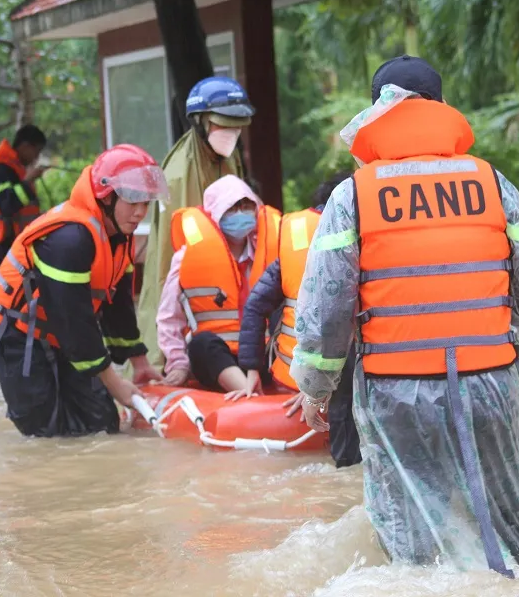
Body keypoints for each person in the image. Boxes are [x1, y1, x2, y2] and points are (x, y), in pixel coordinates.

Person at [290, 55, 519, 577]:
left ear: (377, 113)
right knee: (511, 539)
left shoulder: (352, 196)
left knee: (411, 552)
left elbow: (326, 304)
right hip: (489, 385)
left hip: (396, 393)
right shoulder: (491, 184)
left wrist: (315, 387)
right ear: (441, 106)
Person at [0, 144, 167, 438]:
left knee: (102, 423)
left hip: (63, 329)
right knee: (44, 429)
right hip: (17, 330)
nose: (140, 212)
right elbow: (74, 320)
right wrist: (114, 383)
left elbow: (117, 303)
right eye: (132, 200)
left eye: (146, 202)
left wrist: (138, 361)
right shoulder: (69, 239)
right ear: (106, 196)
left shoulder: (121, 236)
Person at [230, 173, 362, 468]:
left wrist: (252, 370)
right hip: (335, 373)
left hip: (302, 374)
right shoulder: (363, 235)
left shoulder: (295, 246)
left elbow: (255, 306)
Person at [137, 76, 254, 370]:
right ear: (200, 122)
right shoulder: (179, 175)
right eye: (222, 126)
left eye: (236, 127)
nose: (230, 133)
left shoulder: (228, 158)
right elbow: (173, 260)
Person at [156, 175, 280, 392]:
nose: (240, 213)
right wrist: (178, 364)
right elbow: (169, 317)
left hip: (261, 355)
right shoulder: (186, 258)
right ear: (215, 213)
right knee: (201, 343)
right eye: (231, 208)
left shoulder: (273, 253)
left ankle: (259, 391)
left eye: (246, 206)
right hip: (216, 358)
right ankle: (247, 392)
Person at [0, 124, 47, 280]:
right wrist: (28, 182)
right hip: (1, 247)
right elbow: (7, 205)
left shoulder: (16, 170)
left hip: (14, 246)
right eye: (36, 151)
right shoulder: (1, 170)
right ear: (25, 146)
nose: (36, 158)